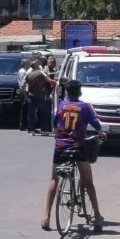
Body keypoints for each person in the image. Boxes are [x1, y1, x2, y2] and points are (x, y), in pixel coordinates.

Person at [42, 80, 105, 231]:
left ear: (67, 92)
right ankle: (97, 216)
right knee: (88, 182)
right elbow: (95, 123)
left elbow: (55, 122)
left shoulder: (62, 105)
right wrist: (100, 132)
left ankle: (46, 217)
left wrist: (57, 133)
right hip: (78, 146)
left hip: (61, 146)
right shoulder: (84, 107)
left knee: (54, 179)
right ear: (80, 92)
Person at [25, 61, 54, 135]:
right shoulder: (40, 73)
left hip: (31, 96)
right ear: (36, 66)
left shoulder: (28, 74)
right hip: (40, 96)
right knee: (42, 113)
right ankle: (43, 130)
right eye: (38, 64)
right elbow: (49, 80)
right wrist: (56, 82)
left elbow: (23, 87)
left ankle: (31, 130)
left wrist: (26, 97)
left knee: (31, 114)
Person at [17, 59, 31, 131]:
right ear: (25, 64)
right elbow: (23, 84)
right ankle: (23, 125)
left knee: (24, 109)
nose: (29, 65)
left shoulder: (21, 71)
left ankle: (23, 125)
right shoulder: (23, 72)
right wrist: (25, 95)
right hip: (24, 92)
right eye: (28, 63)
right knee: (25, 109)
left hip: (23, 91)